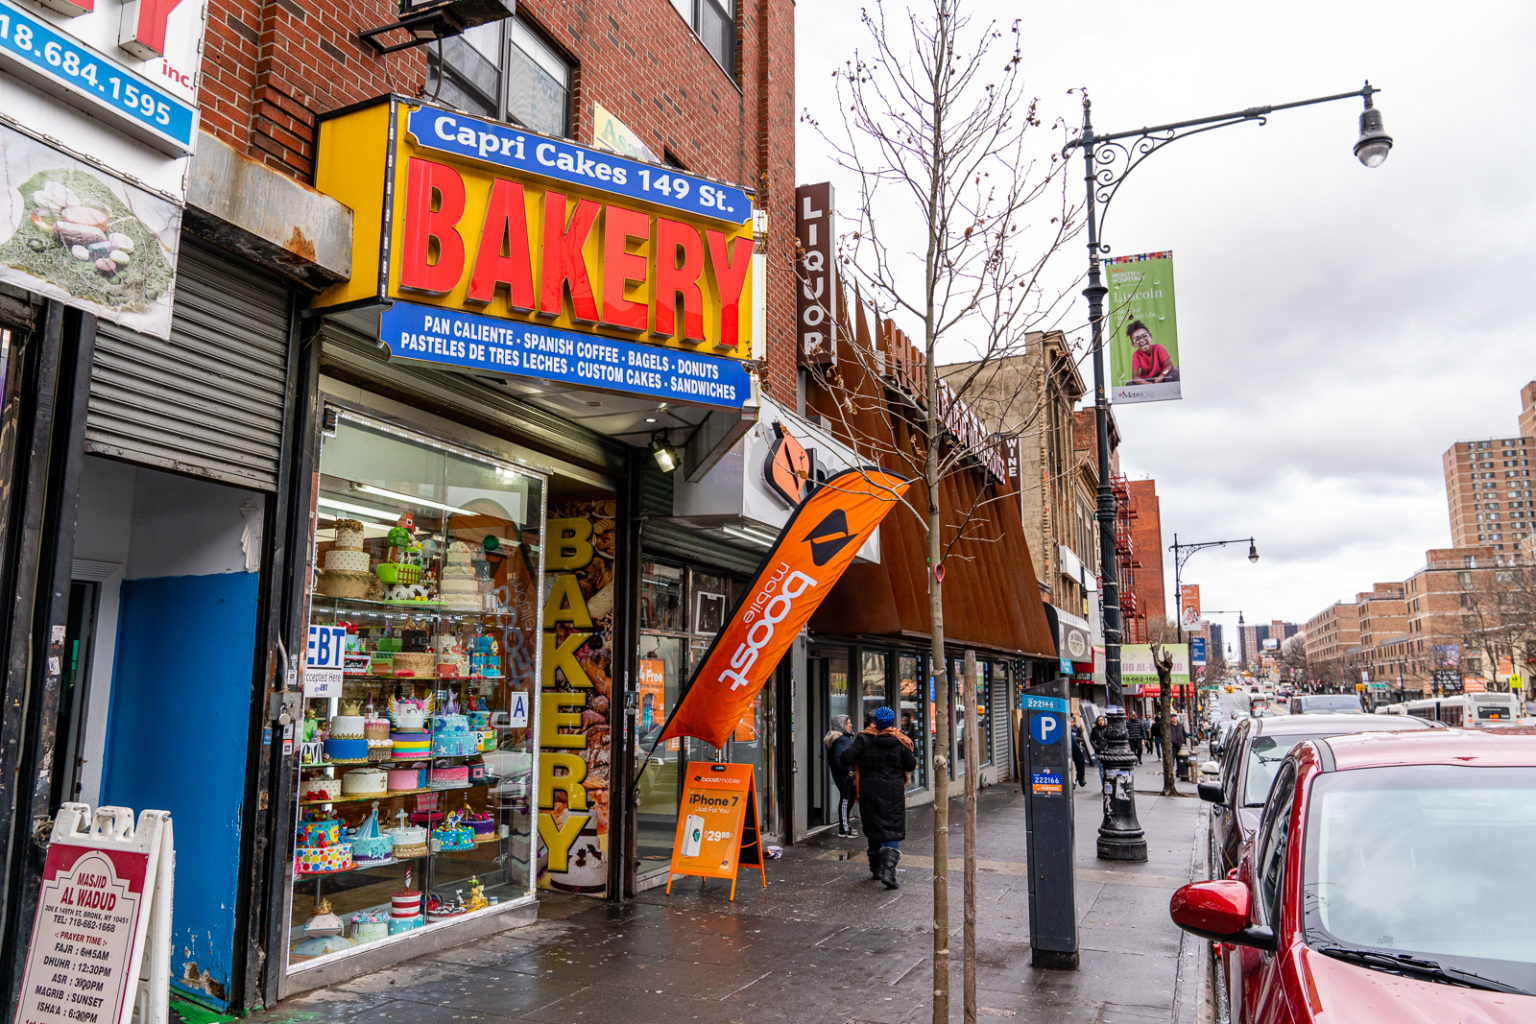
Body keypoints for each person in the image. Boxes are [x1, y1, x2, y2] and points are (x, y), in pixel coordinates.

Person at [840, 706, 917, 889]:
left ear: (874, 721)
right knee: (891, 828)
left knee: (874, 826)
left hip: (869, 791)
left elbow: (846, 758)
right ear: (891, 722)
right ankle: (889, 872)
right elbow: (911, 764)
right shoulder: (900, 741)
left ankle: (875, 870)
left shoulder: (864, 738)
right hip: (893, 792)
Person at [823, 714, 858, 837]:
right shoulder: (840, 740)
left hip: (848, 775)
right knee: (846, 800)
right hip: (845, 776)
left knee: (848, 799)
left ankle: (845, 826)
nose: (851, 725)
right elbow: (839, 759)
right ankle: (844, 829)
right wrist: (850, 770)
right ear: (842, 725)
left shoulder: (844, 738)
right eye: (848, 722)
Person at [1126, 320, 1178, 384]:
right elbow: (1135, 377)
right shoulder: (1136, 355)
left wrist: (1161, 377)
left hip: (1162, 377)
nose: (1142, 340)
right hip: (1147, 381)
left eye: (1144, 336)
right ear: (1133, 345)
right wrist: (1149, 385)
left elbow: (1169, 366)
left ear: (1150, 337)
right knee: (1130, 383)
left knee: (1176, 373)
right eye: (1137, 339)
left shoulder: (1158, 348)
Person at [1089, 715, 1109, 788]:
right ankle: (1103, 785)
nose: (1101, 721)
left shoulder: (1107, 729)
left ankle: (1107, 784)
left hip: (1107, 752)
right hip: (1098, 751)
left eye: (1102, 720)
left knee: (1107, 769)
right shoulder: (1095, 729)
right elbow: (1091, 739)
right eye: (1099, 720)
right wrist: (1096, 746)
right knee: (1101, 769)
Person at [1070, 716, 1088, 787]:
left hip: (1074, 749)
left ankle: (1076, 780)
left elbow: (1082, 738)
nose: (1070, 724)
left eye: (1072, 722)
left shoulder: (1076, 729)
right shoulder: (1067, 732)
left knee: (1076, 764)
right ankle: (1075, 780)